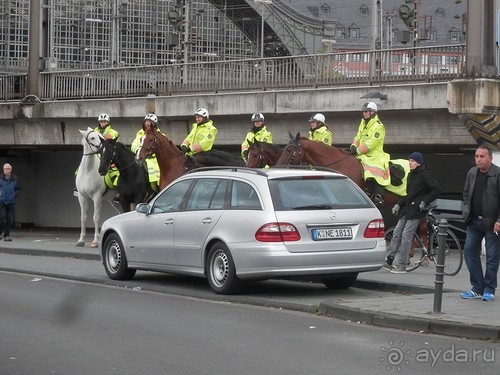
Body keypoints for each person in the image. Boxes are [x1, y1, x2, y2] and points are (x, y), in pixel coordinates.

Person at [383, 152, 441, 273]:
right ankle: (389, 260)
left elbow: (436, 189)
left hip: (417, 211)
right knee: (397, 233)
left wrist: (425, 202)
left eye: (413, 161)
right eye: (409, 161)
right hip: (407, 209)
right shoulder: (410, 175)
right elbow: (409, 195)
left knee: (406, 236)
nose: (410, 163)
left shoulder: (425, 175)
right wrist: (399, 204)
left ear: (419, 162)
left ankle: (402, 265)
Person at [460, 145, 500, 302]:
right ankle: (477, 287)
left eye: (482, 156)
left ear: (490, 158)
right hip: (474, 221)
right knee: (469, 252)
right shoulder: (472, 173)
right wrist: (466, 213)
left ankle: (489, 289)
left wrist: (498, 220)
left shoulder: (497, 174)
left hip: (492, 223)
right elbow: (465, 194)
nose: (478, 159)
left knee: (492, 257)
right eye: (477, 156)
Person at [349, 102, 390, 207]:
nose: (364, 114)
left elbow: (371, 143)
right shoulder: (363, 123)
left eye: (366, 111)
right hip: (362, 153)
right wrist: (353, 145)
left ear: (372, 112)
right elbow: (358, 136)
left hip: (375, 155)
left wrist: (357, 150)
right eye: (364, 111)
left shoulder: (379, 126)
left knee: (376, 171)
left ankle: (379, 196)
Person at [130, 113, 162, 192]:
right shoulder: (140, 133)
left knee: (155, 175)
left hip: (154, 160)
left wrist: (149, 154)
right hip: (141, 156)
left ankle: (157, 190)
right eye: (146, 121)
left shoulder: (160, 134)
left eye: (150, 122)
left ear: (154, 124)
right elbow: (134, 144)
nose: (147, 123)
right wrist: (138, 151)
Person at [0, 163, 21, 241]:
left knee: (9, 219)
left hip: (11, 201)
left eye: (7, 169)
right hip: (1, 201)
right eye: (4, 169)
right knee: (2, 217)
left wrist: (14, 195)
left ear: (10, 170)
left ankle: (6, 235)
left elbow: (18, 188)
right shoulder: (0, 178)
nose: (5, 170)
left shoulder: (15, 179)